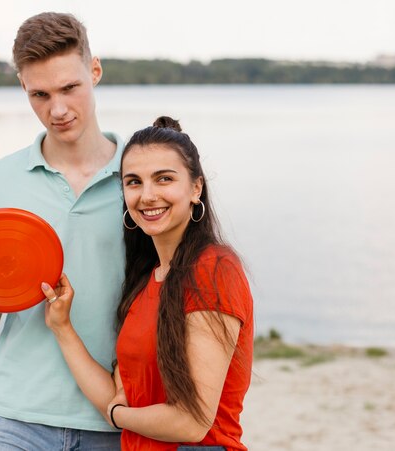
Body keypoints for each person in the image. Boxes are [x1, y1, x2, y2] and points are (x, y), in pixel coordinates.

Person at [0, 12, 124, 449]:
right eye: (39, 94)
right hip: (13, 419)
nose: (56, 110)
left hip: (114, 417)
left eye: (69, 88)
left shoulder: (139, 178)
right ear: (22, 86)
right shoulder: (2, 179)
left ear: (94, 70)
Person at [42, 116, 254, 450]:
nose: (148, 195)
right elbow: (116, 398)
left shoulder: (214, 269)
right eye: (134, 182)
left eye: (164, 179)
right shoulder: (145, 280)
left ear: (195, 187)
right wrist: (62, 328)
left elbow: (192, 421)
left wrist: (118, 418)